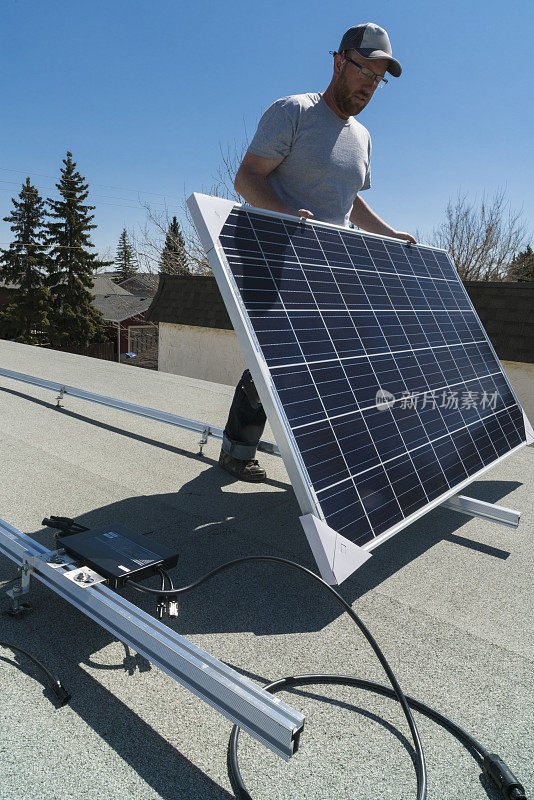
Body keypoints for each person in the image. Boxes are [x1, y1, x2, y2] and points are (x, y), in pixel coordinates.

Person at [219, 22, 416, 482]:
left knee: (340, 361)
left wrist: (390, 234)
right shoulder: (293, 111)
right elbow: (247, 177)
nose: (370, 83)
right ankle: (237, 449)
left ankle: (333, 465)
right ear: (339, 61)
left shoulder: (363, 137)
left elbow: (350, 199)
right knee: (276, 363)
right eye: (365, 69)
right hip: (281, 260)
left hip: (335, 267)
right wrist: (290, 214)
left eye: (378, 77)